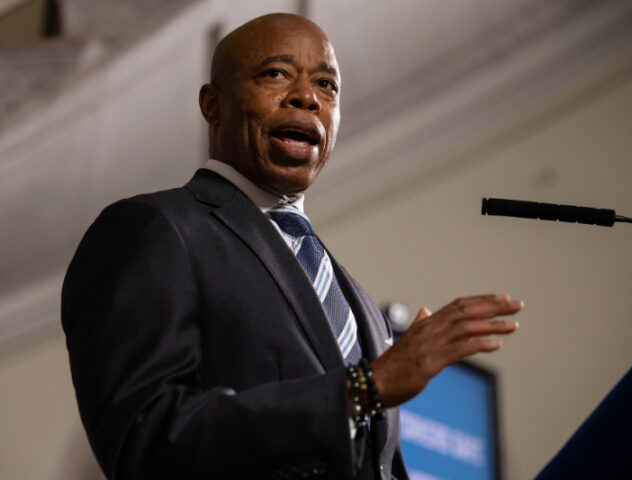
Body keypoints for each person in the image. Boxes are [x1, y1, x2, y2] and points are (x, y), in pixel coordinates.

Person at [62, 13, 522, 480]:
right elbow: (147, 441)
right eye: (276, 74)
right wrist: (365, 386)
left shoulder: (357, 300)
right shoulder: (152, 231)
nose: (307, 97)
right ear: (212, 103)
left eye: (327, 84)